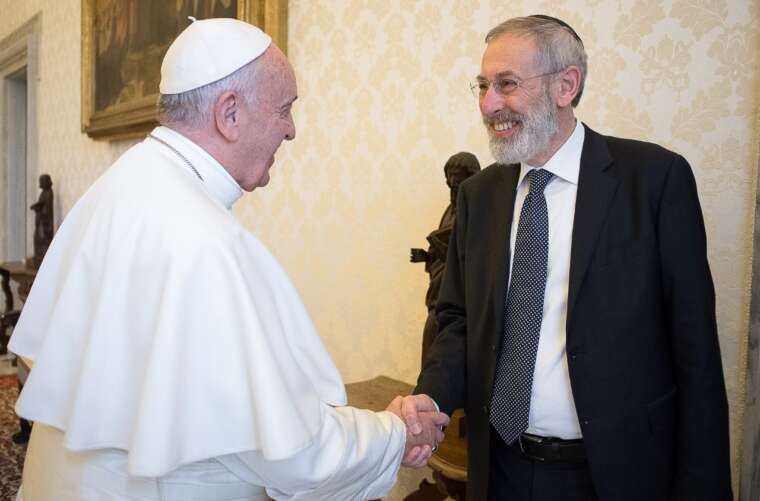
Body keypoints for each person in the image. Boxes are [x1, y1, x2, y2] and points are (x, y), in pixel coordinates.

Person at [10, 18, 447, 501]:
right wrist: (394, 433)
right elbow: (293, 454)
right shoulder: (202, 241)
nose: (292, 131)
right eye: (284, 110)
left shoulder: (124, 182)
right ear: (230, 113)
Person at [399, 15, 732, 501]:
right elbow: (458, 322)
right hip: (501, 469)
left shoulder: (655, 181)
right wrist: (430, 398)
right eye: (483, 86)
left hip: (617, 474)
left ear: (566, 85)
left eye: (506, 84)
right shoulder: (479, 195)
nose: (489, 104)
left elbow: (695, 353)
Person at [410, 152, 480, 365]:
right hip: (439, 288)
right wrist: (428, 256)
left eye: (458, 179)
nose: (453, 183)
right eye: (450, 180)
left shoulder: (479, 210)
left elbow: (475, 256)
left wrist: (446, 249)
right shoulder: (450, 210)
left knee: (443, 338)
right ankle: (428, 390)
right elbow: (446, 250)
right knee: (432, 337)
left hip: (461, 298)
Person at [29, 174, 54, 269]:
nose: (40, 183)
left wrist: (38, 208)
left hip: (45, 224)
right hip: (40, 222)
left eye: (42, 181)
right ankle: (38, 258)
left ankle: (42, 259)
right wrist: (36, 206)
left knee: (43, 240)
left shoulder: (49, 193)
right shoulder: (44, 192)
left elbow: (47, 209)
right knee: (37, 239)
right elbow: (41, 203)